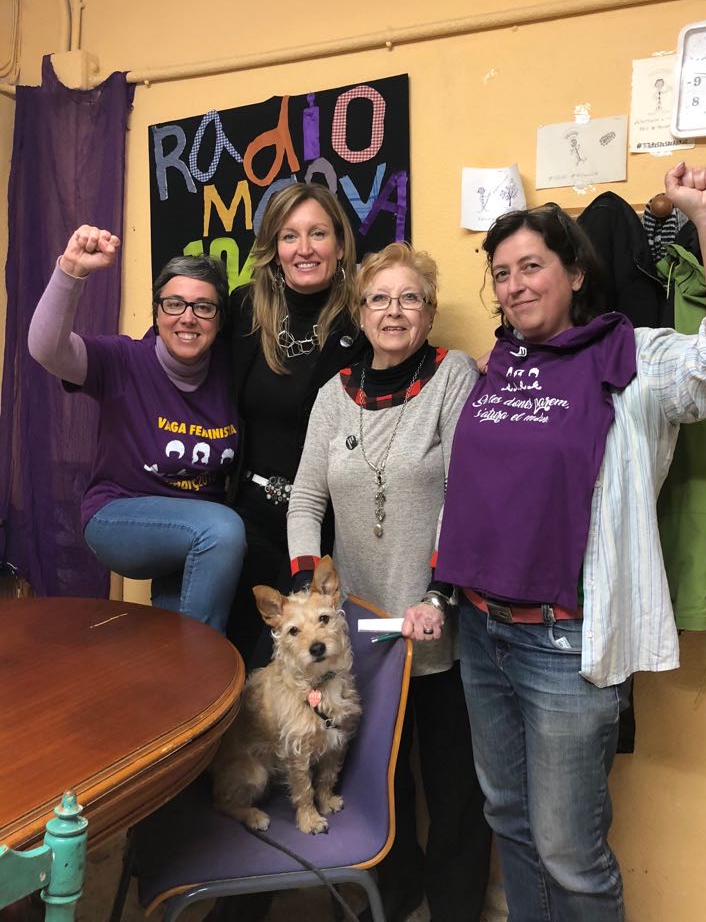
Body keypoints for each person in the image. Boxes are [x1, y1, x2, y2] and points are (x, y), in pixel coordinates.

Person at [434, 164, 706, 922]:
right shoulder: (500, 363)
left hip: (564, 643)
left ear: (576, 273)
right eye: (502, 274)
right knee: (507, 818)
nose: (514, 286)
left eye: (531, 267)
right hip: (483, 630)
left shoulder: (631, 359)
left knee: (569, 852)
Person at [287, 243, 492, 922]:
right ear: (360, 312)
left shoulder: (452, 376)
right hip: (362, 633)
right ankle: (394, 897)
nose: (394, 311)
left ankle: (456, 908)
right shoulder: (333, 396)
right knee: (381, 777)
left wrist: (438, 594)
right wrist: (308, 593)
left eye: (410, 298)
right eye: (379, 298)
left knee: (455, 786)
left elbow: (466, 492)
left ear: (429, 312)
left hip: (438, 621)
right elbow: (306, 499)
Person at [28, 225, 246, 632]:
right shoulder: (124, 361)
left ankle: (184, 667)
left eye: (204, 307)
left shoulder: (231, 372)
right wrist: (71, 270)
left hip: (197, 536)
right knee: (224, 530)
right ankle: (205, 664)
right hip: (119, 515)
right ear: (157, 312)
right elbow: (47, 349)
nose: (188, 317)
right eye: (174, 304)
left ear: (219, 321)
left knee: (171, 633)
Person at [226, 182, 367, 669]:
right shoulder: (245, 310)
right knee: (244, 665)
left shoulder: (364, 319)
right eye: (289, 236)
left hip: (327, 525)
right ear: (274, 249)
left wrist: (488, 361)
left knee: (320, 672)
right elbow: (178, 351)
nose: (304, 248)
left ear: (340, 245)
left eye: (318, 234)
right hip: (249, 519)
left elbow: (412, 356)